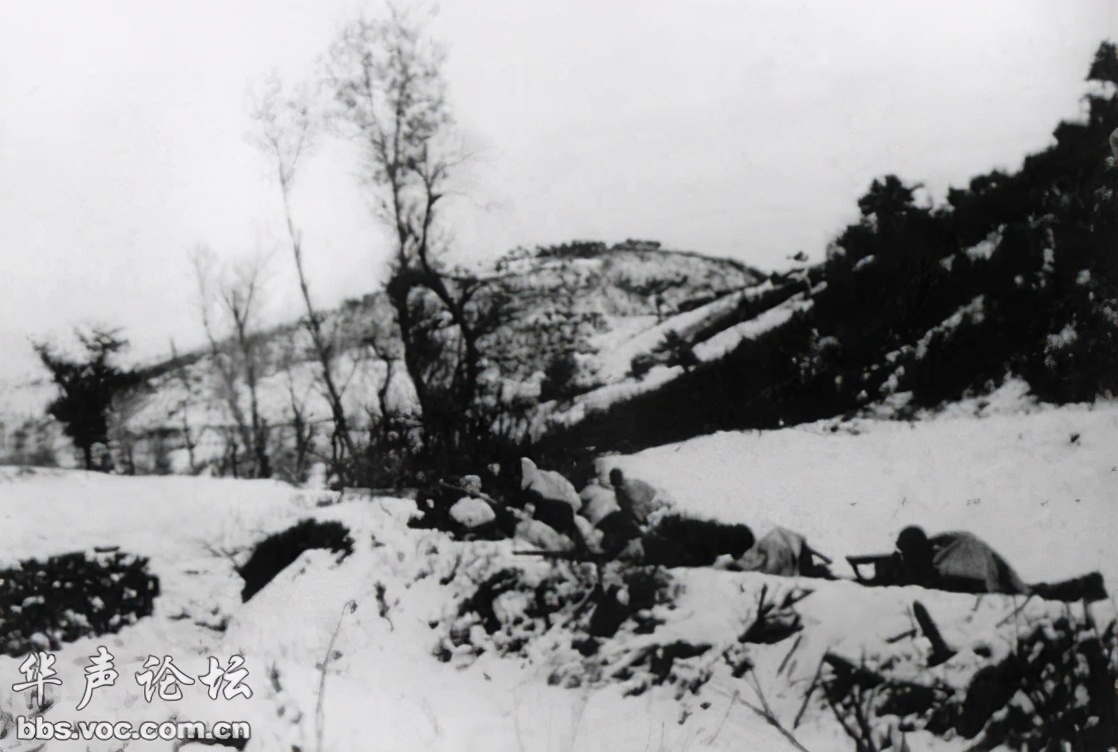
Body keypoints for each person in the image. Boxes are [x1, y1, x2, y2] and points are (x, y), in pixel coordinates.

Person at [891, 526, 1029, 596]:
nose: (905, 558)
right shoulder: (942, 551)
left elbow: (974, 585)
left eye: (906, 554)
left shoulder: (952, 561)